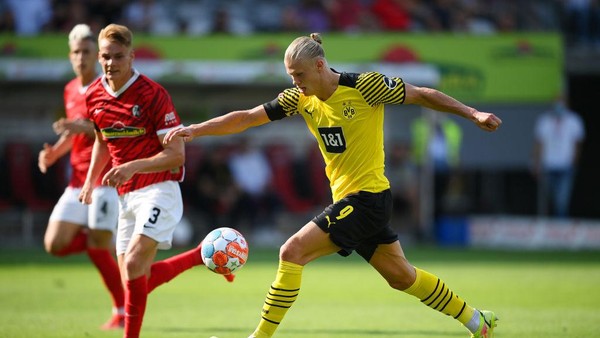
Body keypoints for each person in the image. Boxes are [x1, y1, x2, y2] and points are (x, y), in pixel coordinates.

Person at [164, 33, 502, 338]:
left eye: (299, 75)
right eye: (290, 76)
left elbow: (422, 95)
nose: (295, 82)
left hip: (367, 197)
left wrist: (473, 114)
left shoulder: (365, 87)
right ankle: (477, 322)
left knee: (291, 252)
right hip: (356, 201)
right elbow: (247, 117)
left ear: (320, 65)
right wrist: (197, 129)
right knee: (402, 277)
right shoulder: (300, 99)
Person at [77, 23, 233, 338]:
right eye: (106, 57)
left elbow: (177, 155)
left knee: (134, 265)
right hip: (126, 196)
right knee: (135, 279)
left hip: (159, 189)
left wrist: (133, 167)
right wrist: (90, 180)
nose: (110, 64)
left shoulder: (152, 94)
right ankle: (200, 254)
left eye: (118, 56)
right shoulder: (93, 94)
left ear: (132, 56)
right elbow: (101, 139)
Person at [37, 23, 124, 330]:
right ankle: (94, 237)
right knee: (54, 244)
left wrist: (82, 127)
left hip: (103, 180)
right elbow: (73, 135)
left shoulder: (108, 87)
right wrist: (53, 154)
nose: (81, 57)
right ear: (70, 56)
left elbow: (111, 131)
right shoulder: (71, 89)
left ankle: (121, 309)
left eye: (87, 52)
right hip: (77, 181)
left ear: (97, 56)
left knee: (101, 247)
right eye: (76, 52)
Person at [532, 95, 585, 218]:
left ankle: (562, 224)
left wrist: (573, 163)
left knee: (562, 200)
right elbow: (539, 144)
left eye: (561, 102)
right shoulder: (544, 121)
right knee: (550, 199)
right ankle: (551, 224)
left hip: (566, 166)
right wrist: (536, 163)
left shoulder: (574, 120)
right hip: (548, 165)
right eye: (556, 102)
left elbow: (577, 144)